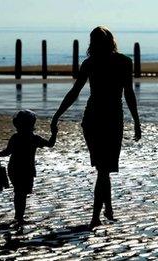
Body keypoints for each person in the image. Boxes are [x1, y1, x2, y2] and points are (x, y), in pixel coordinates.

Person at [50, 26, 141, 228]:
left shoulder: (90, 63)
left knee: (103, 169)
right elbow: (128, 94)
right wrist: (136, 121)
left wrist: (57, 115)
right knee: (103, 169)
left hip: (93, 119)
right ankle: (96, 216)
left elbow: (75, 92)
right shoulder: (124, 62)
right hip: (109, 119)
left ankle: (107, 210)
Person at [0, 110, 57, 226]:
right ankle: (19, 217)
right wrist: (54, 133)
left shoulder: (15, 137)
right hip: (27, 169)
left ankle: (19, 216)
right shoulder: (34, 138)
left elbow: (7, 152)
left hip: (14, 168)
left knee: (19, 192)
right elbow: (50, 144)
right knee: (22, 193)